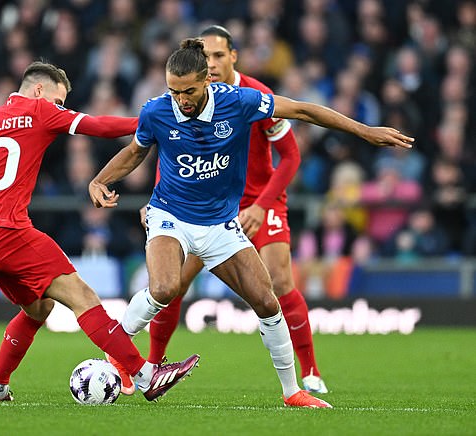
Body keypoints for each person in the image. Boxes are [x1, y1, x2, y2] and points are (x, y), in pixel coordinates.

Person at [89, 39, 413, 408]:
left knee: (267, 301)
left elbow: (303, 111)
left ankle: (294, 391)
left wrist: (364, 131)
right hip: (170, 216)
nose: (182, 100)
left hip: (220, 225)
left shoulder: (239, 101)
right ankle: (118, 356)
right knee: (165, 288)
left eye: (189, 91)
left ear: (207, 80)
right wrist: (100, 179)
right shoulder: (156, 112)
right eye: (174, 91)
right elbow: (135, 151)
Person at [0, 61, 199, 403]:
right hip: (11, 232)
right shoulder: (40, 112)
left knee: (38, 310)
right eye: (59, 101)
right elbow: (100, 126)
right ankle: (145, 375)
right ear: (40, 90)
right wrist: (154, 124)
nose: (61, 109)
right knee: (84, 298)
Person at [137, 24, 329, 395]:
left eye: (218, 55)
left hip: (260, 198)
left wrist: (262, 205)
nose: (210, 62)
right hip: (202, 203)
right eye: (205, 56)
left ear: (233, 56)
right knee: (173, 283)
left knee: (279, 280)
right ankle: (153, 362)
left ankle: (310, 373)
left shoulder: (254, 95)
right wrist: (157, 198)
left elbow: (290, 157)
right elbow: (172, 153)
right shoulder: (185, 94)